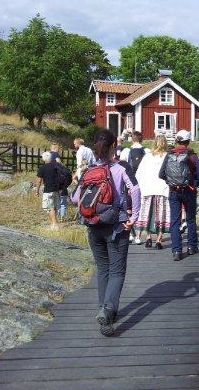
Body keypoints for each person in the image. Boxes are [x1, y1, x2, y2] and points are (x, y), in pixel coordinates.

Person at [71, 129, 141, 336]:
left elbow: (75, 198)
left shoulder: (88, 170)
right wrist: (134, 217)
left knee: (103, 270)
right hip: (116, 225)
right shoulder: (121, 167)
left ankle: (105, 314)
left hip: (93, 226)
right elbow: (135, 190)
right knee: (117, 271)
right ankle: (107, 310)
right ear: (113, 147)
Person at [159, 129, 199, 261]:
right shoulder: (192, 156)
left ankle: (177, 251)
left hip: (174, 191)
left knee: (175, 221)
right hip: (189, 191)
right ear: (188, 141)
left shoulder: (169, 155)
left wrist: (172, 182)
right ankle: (191, 247)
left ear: (176, 140)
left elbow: (161, 174)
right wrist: (194, 182)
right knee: (190, 219)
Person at [135, 134, 170, 250]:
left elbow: (138, 174)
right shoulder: (167, 156)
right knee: (161, 215)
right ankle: (159, 240)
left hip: (148, 189)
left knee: (148, 214)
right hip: (162, 189)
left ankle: (148, 237)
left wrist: (142, 186)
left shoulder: (147, 156)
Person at [35, 151, 61, 229]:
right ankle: (53, 223)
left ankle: (54, 224)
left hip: (48, 189)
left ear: (44, 159)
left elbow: (39, 181)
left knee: (50, 207)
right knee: (54, 207)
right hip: (57, 189)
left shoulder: (42, 168)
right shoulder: (56, 166)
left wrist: (37, 191)